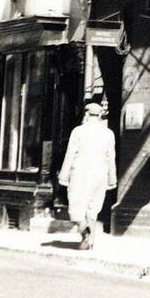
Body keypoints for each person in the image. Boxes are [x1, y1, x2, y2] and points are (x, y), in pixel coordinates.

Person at [59, 97, 117, 249]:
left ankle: (87, 234)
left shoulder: (78, 131)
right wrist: (112, 178)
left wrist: (63, 176)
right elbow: (111, 157)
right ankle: (90, 238)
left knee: (76, 206)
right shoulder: (108, 133)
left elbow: (70, 154)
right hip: (100, 173)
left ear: (86, 115)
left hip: (81, 172)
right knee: (93, 207)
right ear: (99, 116)